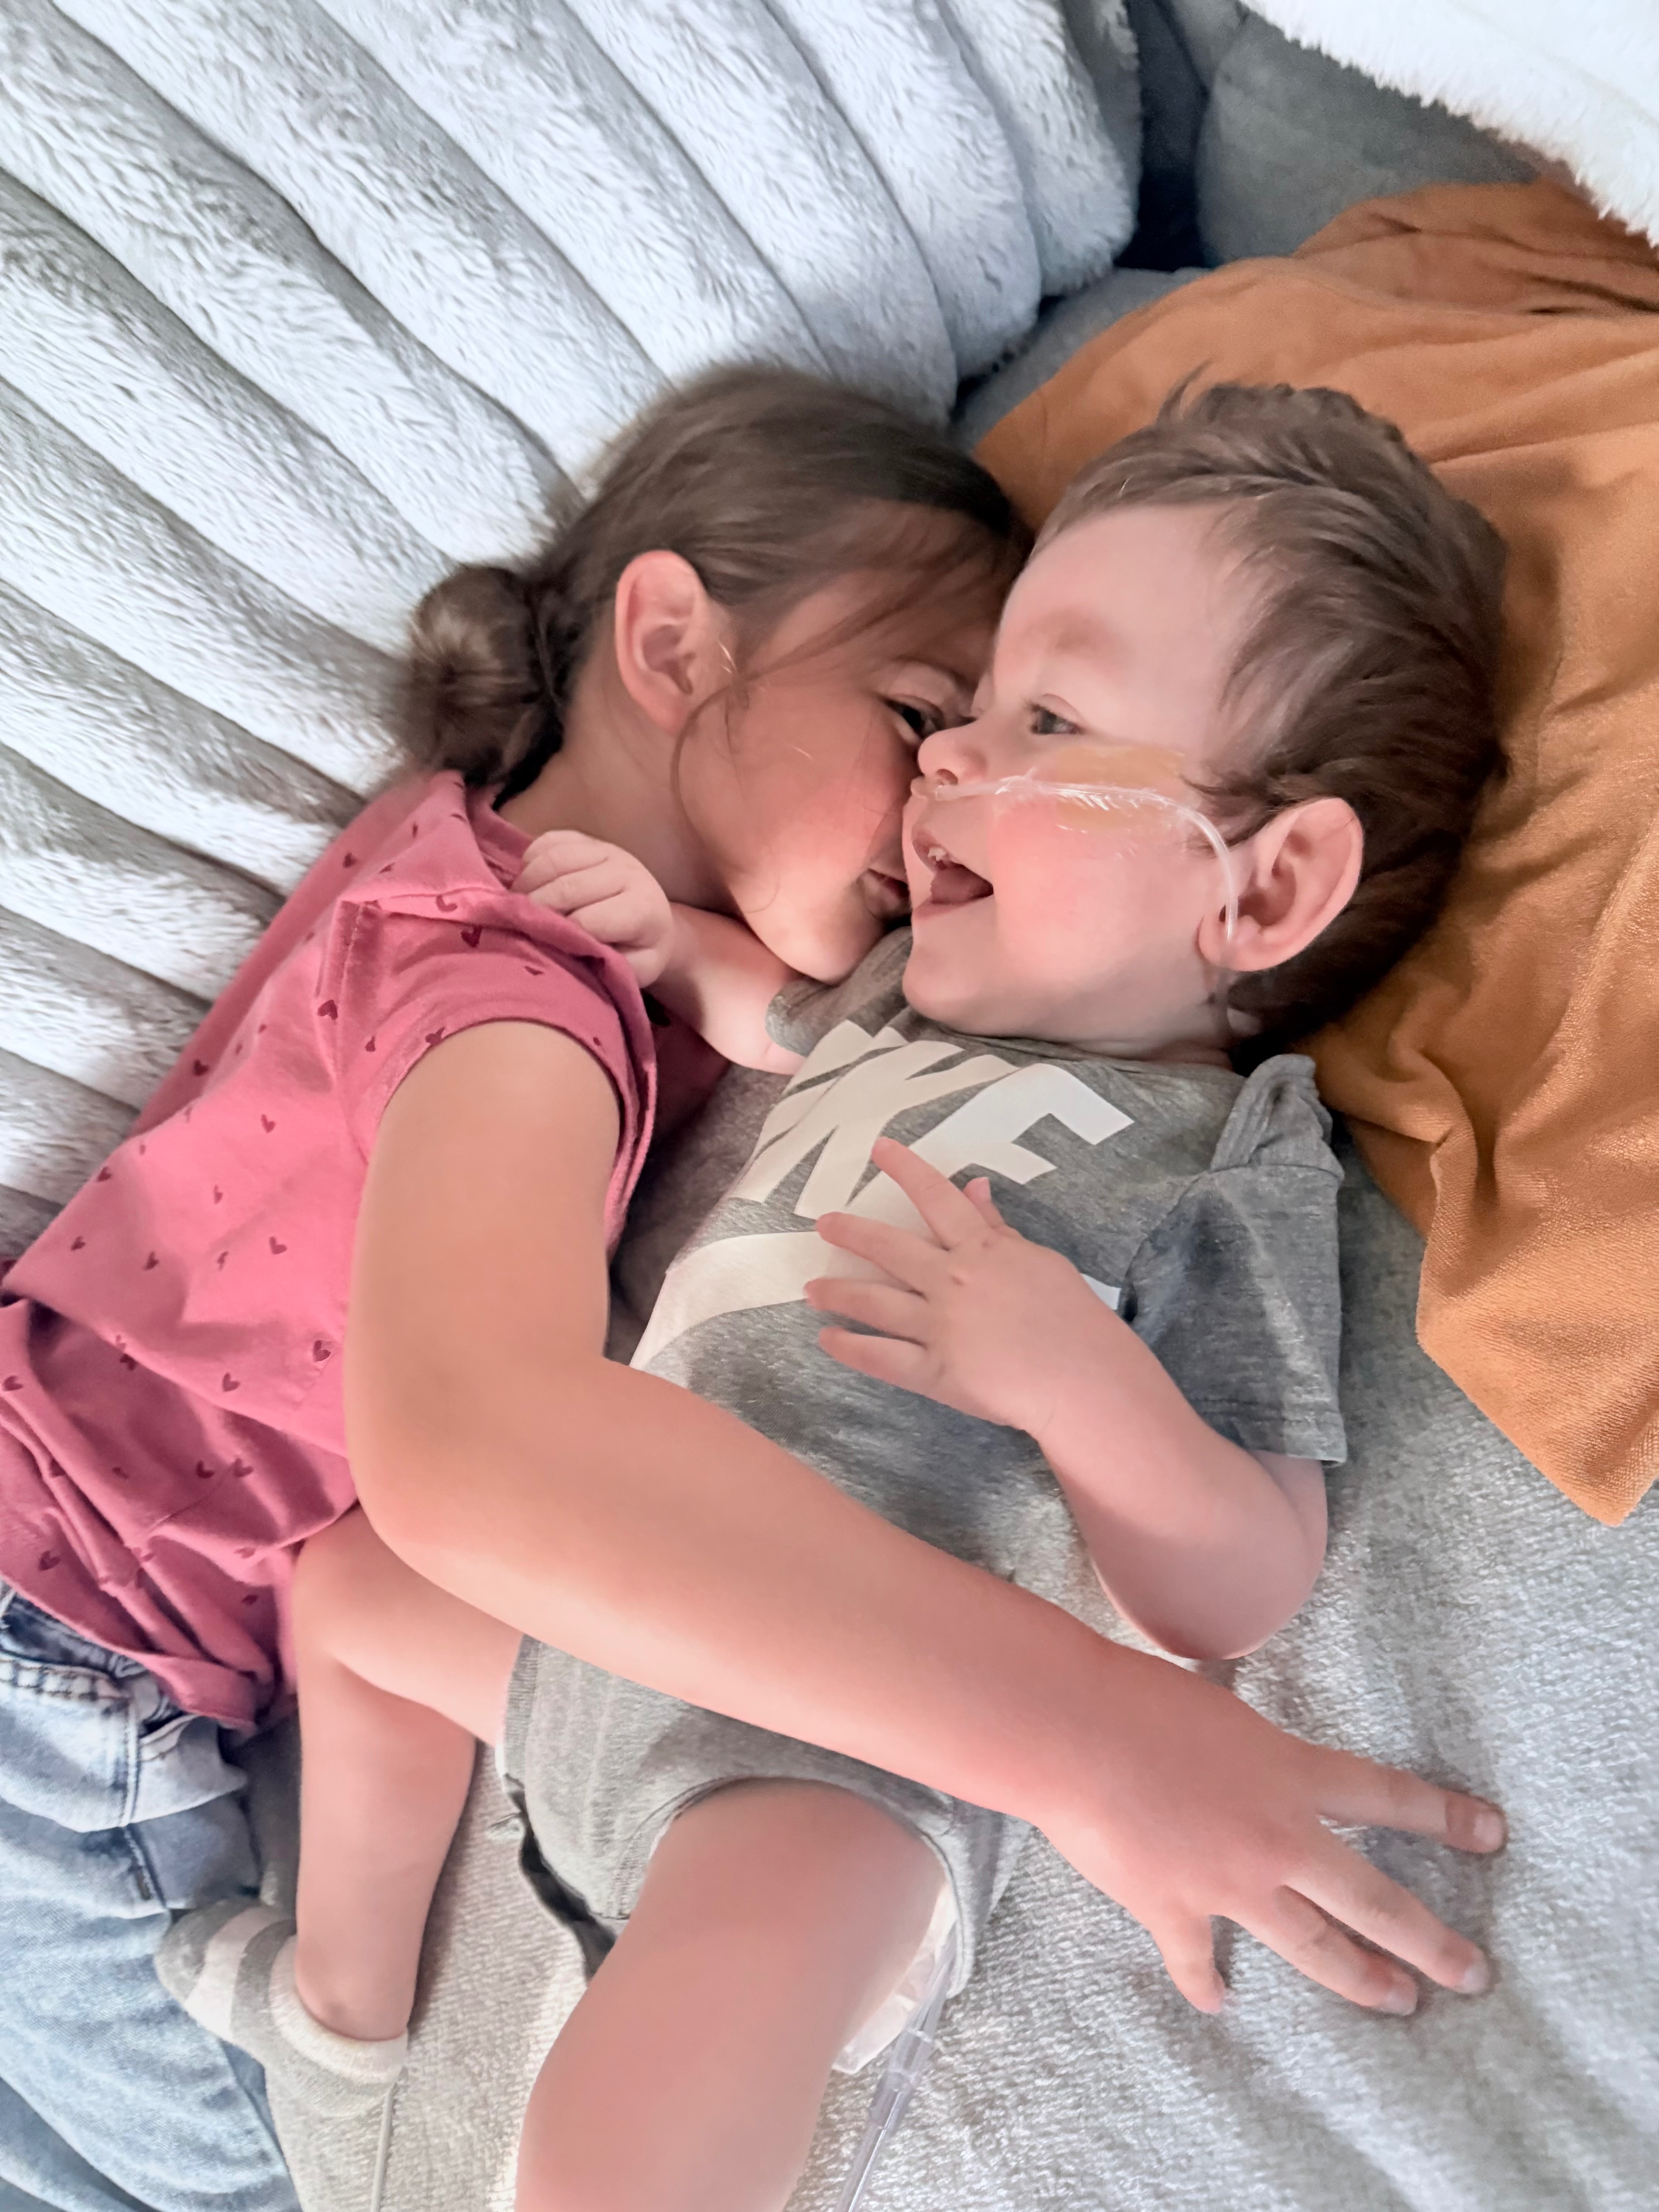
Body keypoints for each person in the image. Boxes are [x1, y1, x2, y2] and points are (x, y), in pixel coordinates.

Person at [157, 383, 1511, 2211]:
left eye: (1046, 720)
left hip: (858, 1740)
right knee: (349, 1593)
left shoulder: (1229, 1156)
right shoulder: (895, 1003)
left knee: (668, 2059)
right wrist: (673, 946)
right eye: (957, 714)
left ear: (1267, 887)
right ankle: (341, 2022)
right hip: (635, 1605)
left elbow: (1246, 1570)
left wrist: (1081, 1381)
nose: (949, 764)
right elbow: (775, 1025)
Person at [0, 365, 1022, 2210]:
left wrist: (704, 961)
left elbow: (827, 1037)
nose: (949, 813)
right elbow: (498, 1464)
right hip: (73, 1649)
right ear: (672, 641)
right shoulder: (519, 1009)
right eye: (919, 716)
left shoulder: (449, 848)